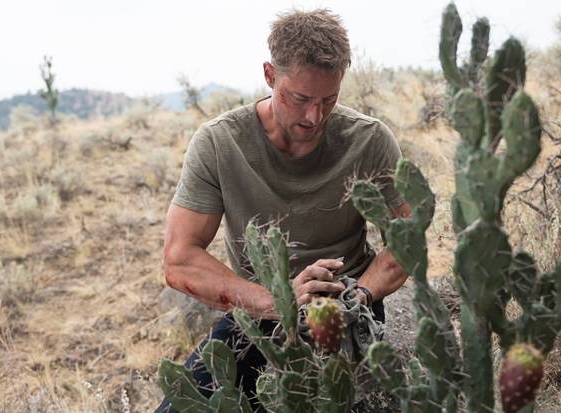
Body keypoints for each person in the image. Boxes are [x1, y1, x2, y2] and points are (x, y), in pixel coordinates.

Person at [155, 8, 411, 412]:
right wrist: (279, 303)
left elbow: (408, 241)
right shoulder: (220, 143)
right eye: (300, 99)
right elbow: (179, 260)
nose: (315, 116)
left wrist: (360, 295)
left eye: (329, 99)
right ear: (270, 75)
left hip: (346, 312)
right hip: (260, 312)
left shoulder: (370, 140)